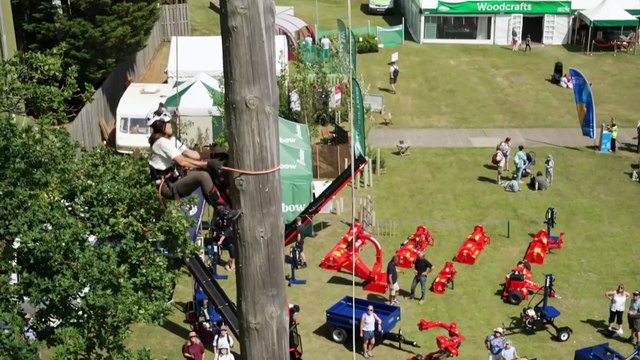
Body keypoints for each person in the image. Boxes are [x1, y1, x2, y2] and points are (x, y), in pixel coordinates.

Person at [147, 105, 241, 221]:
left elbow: (191, 154)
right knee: (203, 175)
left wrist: (214, 156)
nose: (171, 124)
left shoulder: (169, 140)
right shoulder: (161, 143)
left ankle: (227, 200)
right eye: (168, 122)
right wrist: (206, 164)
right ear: (160, 125)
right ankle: (223, 211)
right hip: (168, 187)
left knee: (208, 171)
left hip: (176, 179)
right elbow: (182, 161)